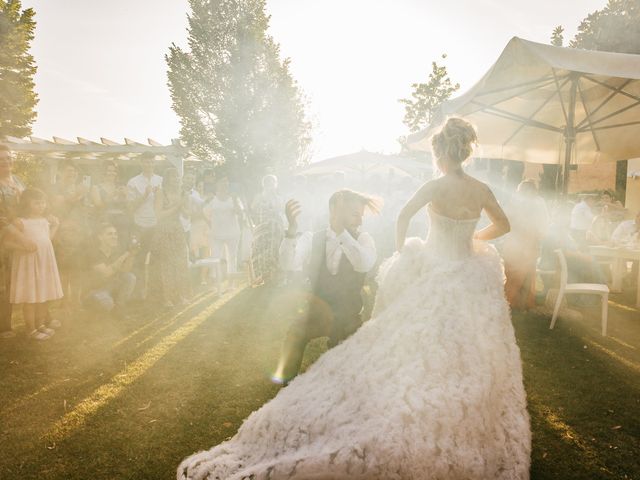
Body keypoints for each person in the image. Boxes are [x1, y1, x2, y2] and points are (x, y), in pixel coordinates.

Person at [177, 118, 531, 480]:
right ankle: (461, 401)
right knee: (463, 342)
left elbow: (404, 216)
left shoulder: (434, 186)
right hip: (465, 272)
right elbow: (503, 226)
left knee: (415, 337)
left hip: (432, 267)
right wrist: (473, 240)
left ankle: (413, 393)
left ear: (440, 151)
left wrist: (405, 254)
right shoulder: (482, 188)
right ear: (465, 150)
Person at [273, 189, 379, 382]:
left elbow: (363, 264)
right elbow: (287, 264)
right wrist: (291, 230)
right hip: (316, 313)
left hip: (348, 316)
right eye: (355, 215)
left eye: (361, 216)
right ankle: (286, 387)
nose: (360, 221)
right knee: (295, 334)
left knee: (345, 375)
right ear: (334, 211)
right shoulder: (311, 238)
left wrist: (341, 234)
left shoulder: (364, 239)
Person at [10, 189, 63, 340]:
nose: (41, 206)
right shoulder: (21, 222)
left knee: (42, 295)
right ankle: (30, 330)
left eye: (43, 203)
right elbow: (8, 242)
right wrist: (24, 247)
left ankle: (40, 325)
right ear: (27, 203)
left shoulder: (44, 221)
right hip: (28, 264)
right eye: (37, 203)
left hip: (44, 261)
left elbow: (47, 240)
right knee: (31, 296)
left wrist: (55, 226)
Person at [501, 180, 549, 310]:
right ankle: (522, 304)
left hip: (517, 243)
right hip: (527, 243)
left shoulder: (517, 201)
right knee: (525, 274)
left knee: (515, 275)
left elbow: (506, 220)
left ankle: (510, 303)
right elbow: (543, 228)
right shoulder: (539, 202)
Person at [0, 144, 32, 338]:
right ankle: (3, 327)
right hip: (2, 234)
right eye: (2, 158)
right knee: (2, 281)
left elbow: (29, 204)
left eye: (8, 157)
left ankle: (7, 322)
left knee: (12, 280)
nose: (6, 161)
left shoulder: (18, 180)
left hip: (17, 233)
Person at [149, 168, 190, 307]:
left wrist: (184, 205)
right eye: (173, 177)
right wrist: (178, 205)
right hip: (164, 229)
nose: (176, 179)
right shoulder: (161, 193)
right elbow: (158, 215)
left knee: (181, 263)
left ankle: (182, 296)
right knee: (166, 265)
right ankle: (167, 298)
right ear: (167, 179)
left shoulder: (182, 193)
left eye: (177, 177)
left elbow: (186, 215)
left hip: (178, 229)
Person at [126, 153, 162, 298]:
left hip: (156, 225)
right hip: (139, 225)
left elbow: (163, 204)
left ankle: (154, 291)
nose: (149, 165)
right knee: (138, 259)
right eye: (146, 162)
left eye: (151, 162)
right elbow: (130, 208)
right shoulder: (133, 182)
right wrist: (145, 195)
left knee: (156, 259)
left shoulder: (161, 180)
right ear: (141, 163)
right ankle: (139, 292)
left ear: (155, 163)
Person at [82, 222, 137, 317]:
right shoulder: (93, 253)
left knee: (130, 277)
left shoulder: (115, 251)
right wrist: (126, 254)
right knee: (107, 304)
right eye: (110, 234)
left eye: (115, 233)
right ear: (100, 237)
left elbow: (125, 270)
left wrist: (132, 254)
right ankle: (89, 310)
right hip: (94, 290)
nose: (114, 236)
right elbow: (106, 273)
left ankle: (119, 307)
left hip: (109, 287)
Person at [202, 174, 243, 278]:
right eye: (222, 181)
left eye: (226, 181)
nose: (225, 183)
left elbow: (240, 213)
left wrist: (234, 200)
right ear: (216, 184)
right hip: (216, 234)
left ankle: (231, 284)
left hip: (232, 232)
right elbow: (204, 213)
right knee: (215, 258)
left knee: (232, 258)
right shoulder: (212, 199)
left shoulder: (233, 198)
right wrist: (210, 224)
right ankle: (216, 283)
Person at [250, 174, 285, 285]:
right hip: (262, 228)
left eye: (273, 182)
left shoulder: (279, 198)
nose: (270, 185)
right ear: (263, 184)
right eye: (268, 182)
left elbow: (282, 212)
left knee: (274, 251)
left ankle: (274, 276)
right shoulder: (259, 197)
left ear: (276, 184)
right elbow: (252, 209)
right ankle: (262, 277)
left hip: (276, 228)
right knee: (260, 252)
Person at [90, 160, 130, 246]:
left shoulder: (121, 187)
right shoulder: (96, 188)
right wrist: (112, 195)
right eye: (109, 170)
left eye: (114, 171)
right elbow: (98, 205)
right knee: (106, 245)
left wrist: (126, 195)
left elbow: (129, 206)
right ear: (103, 172)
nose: (112, 173)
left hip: (122, 222)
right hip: (106, 221)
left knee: (122, 245)